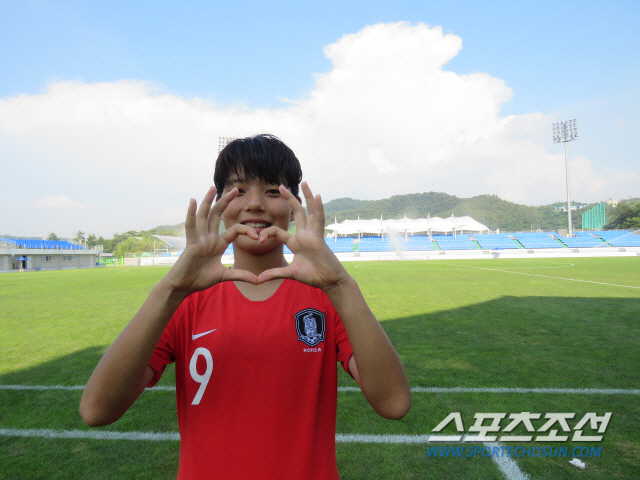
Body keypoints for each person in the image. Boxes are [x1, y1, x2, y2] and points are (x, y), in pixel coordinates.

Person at [80, 134, 411, 479]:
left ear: (294, 205)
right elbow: (97, 410)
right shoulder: (184, 300)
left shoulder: (327, 298)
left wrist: (341, 285)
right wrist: (171, 288)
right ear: (220, 203)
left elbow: (394, 403)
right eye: (238, 190)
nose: (254, 204)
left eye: (272, 190)